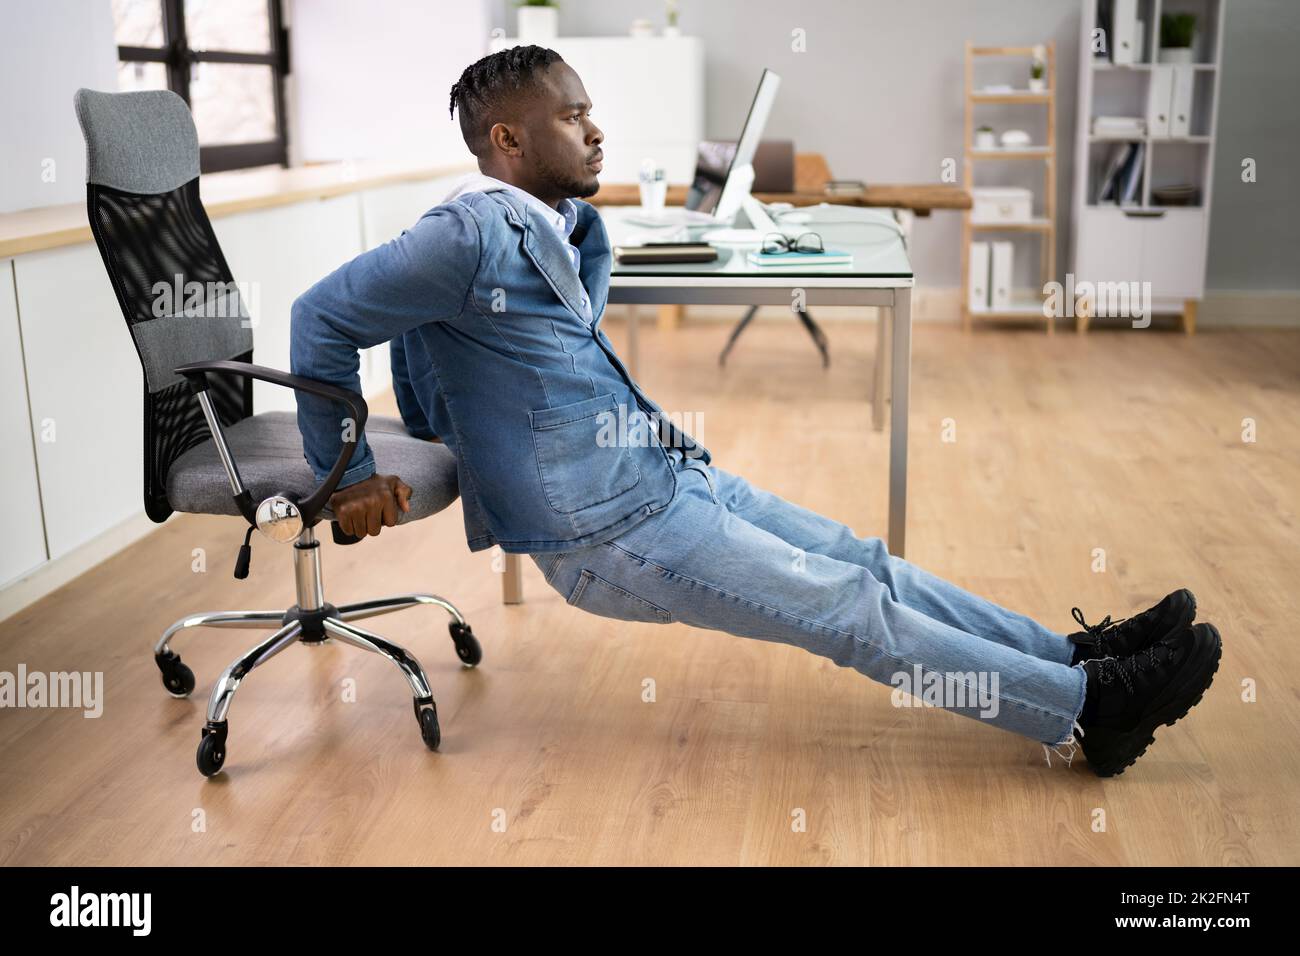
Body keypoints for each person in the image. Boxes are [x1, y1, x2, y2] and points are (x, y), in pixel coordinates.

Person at [290, 46, 1221, 777]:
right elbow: (320, 316)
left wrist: (438, 408)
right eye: (572, 118)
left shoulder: (552, 222)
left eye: (590, 112)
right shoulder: (462, 233)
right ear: (507, 141)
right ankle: (1087, 712)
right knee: (849, 608)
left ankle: (1069, 657)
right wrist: (353, 470)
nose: (596, 131)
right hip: (603, 533)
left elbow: (439, 347)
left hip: (659, 477)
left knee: (864, 562)